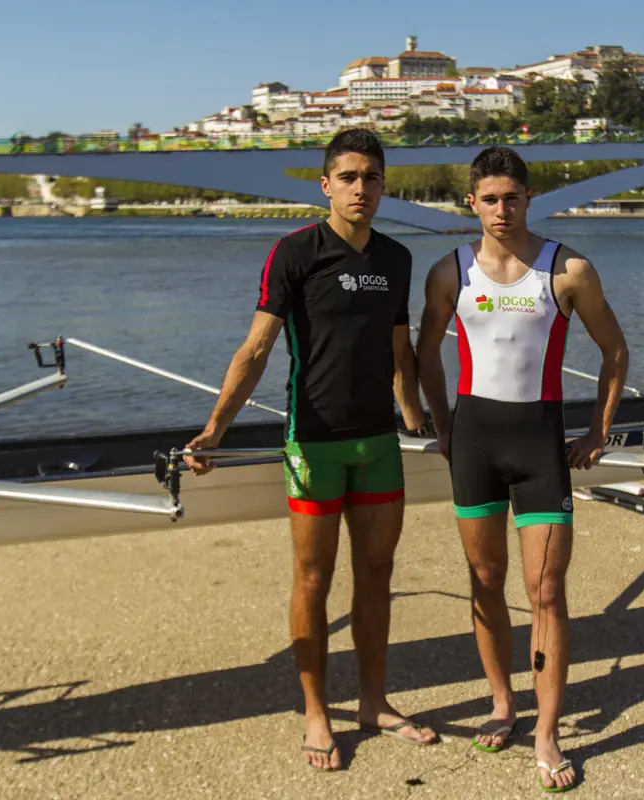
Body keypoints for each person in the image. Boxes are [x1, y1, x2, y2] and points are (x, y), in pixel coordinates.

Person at [182, 128, 438, 771]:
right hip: (313, 444)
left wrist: (416, 418)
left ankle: (374, 702)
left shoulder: (397, 258)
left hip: (376, 443)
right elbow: (256, 349)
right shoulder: (295, 252)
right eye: (348, 177)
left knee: (376, 575)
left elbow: (399, 351)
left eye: (371, 178)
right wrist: (215, 429)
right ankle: (318, 710)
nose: (360, 189)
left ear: (384, 187)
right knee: (313, 578)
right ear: (326, 185)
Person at [416, 146, 629, 793]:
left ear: (529, 198)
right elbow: (425, 352)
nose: (501, 209)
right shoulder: (449, 271)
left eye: (512, 197)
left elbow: (615, 351)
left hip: (539, 446)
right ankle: (502, 702)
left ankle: (547, 731)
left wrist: (598, 430)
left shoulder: (567, 270)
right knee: (485, 580)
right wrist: (442, 423)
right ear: (472, 203)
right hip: (475, 446)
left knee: (546, 592)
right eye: (489, 199)